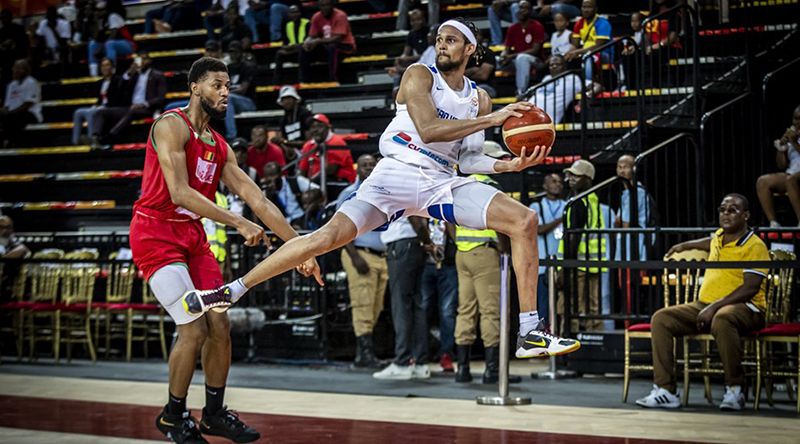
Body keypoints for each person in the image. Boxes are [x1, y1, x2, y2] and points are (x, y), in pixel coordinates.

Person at [183, 18, 580, 360]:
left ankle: (530, 331)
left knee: (523, 220)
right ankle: (230, 291)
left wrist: (506, 165)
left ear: (470, 48)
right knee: (323, 239)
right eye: (439, 39)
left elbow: (469, 158)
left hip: (441, 181)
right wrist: (494, 118)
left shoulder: (479, 98)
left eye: (451, 40)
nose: (441, 45)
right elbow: (429, 130)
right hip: (396, 174)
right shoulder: (419, 75)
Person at [130, 56, 317, 442]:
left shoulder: (219, 146)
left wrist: (301, 248)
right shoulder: (170, 126)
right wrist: (238, 221)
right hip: (155, 232)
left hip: (193, 238)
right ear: (195, 87)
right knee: (193, 326)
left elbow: (259, 201)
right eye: (217, 84)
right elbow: (179, 191)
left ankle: (213, 413)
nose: (225, 92)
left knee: (220, 323)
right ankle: (172, 415)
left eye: (228, 86)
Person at [636, 194, 769, 411]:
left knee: (722, 318)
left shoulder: (755, 245)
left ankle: (736, 389)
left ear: (746, 215)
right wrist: (683, 245)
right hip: (706, 305)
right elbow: (708, 242)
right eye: (722, 209)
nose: (726, 213)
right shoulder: (718, 237)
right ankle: (666, 390)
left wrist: (714, 307)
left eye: (733, 210)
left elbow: (750, 288)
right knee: (661, 318)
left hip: (748, 308)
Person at [454, 172, 522, 384]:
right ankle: (492, 370)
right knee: (491, 312)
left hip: (462, 252)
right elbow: (499, 220)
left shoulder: (458, 184)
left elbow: (446, 218)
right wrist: (505, 250)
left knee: (465, 310)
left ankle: (462, 369)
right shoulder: (490, 185)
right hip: (486, 253)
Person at [337, 155, 387, 368]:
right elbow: (338, 228)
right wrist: (354, 256)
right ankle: (363, 354)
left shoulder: (382, 191)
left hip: (381, 256)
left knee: (376, 306)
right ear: (358, 170)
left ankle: (365, 351)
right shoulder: (350, 193)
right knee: (362, 304)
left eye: (372, 165)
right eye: (365, 165)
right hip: (359, 253)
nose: (369, 168)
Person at [372, 215, 431, 380]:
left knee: (401, 304)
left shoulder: (402, 188)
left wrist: (427, 241)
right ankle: (420, 363)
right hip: (414, 244)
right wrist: (426, 241)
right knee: (416, 304)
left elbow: (414, 217)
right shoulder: (418, 188)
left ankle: (403, 362)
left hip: (402, 243)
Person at [558, 159, 605, 332]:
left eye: (576, 176)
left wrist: (564, 267)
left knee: (571, 307)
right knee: (592, 308)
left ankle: (569, 349)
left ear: (588, 180)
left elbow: (574, 237)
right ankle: (594, 345)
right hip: (593, 264)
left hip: (577, 264)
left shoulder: (578, 202)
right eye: (570, 175)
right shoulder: (593, 200)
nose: (570, 178)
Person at [91, 54, 166, 146]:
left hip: (147, 108)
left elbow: (161, 98)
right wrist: (130, 72)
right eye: (139, 59)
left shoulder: (157, 75)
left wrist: (143, 104)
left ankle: (110, 136)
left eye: (144, 59)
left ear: (149, 61)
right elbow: (121, 84)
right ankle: (95, 137)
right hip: (130, 107)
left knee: (132, 110)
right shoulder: (135, 75)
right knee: (101, 112)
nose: (142, 61)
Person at [421, 217, 458, 373]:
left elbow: (456, 233)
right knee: (422, 308)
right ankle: (418, 355)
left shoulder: (449, 204)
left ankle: (446, 354)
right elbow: (418, 226)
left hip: (448, 263)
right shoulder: (420, 202)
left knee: (448, 310)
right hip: (424, 263)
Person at [756, 105, 800, 227]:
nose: (797, 122)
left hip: (794, 177)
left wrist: (795, 142)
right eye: (795, 119)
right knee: (763, 181)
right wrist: (782, 148)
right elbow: (782, 165)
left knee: (790, 180)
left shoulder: (794, 139)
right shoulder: (793, 134)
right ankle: (774, 223)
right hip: (792, 174)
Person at [532, 173, 565, 328]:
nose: (557, 184)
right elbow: (538, 229)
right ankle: (544, 340)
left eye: (559, 181)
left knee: (562, 305)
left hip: (561, 263)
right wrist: (560, 219)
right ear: (545, 186)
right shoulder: (536, 207)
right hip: (543, 264)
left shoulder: (567, 205)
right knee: (543, 306)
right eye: (553, 181)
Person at [71, 58, 128, 145]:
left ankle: (93, 141)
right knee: (78, 112)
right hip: (101, 106)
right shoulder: (100, 82)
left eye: (107, 65)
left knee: (92, 113)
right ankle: (75, 142)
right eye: (103, 65)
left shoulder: (117, 80)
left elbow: (117, 98)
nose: (105, 68)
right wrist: (97, 105)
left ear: (112, 67)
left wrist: (101, 106)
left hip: (111, 107)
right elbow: (100, 99)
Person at [300, 0, 356, 83]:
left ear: (332, 5)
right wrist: (307, 42)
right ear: (319, 6)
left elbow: (338, 38)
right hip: (326, 45)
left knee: (332, 47)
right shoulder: (316, 17)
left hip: (345, 46)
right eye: (322, 5)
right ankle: (304, 80)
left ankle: (332, 79)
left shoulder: (340, 15)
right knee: (303, 49)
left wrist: (318, 41)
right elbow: (312, 36)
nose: (325, 8)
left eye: (327, 5)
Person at [499, 1, 546, 98]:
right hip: (517, 61)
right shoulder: (513, 28)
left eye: (525, 8)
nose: (521, 10)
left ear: (530, 11)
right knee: (496, 60)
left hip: (536, 61)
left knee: (522, 58)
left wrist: (510, 56)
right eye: (520, 8)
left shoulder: (537, 26)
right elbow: (506, 49)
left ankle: (521, 92)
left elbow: (535, 50)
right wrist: (503, 56)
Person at [564, 0, 612, 93]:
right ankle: (569, 87)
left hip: (604, 54)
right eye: (584, 7)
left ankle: (589, 84)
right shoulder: (579, 23)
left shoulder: (603, 23)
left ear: (595, 9)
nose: (586, 10)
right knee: (567, 58)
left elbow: (599, 46)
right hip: (585, 52)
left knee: (588, 56)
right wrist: (570, 53)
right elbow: (575, 44)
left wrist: (577, 52)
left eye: (589, 7)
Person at [298, 113, 356, 184]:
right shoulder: (308, 145)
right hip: (316, 184)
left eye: (319, 126)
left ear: (328, 127)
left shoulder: (337, 142)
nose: (315, 130)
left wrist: (309, 183)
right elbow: (302, 170)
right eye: (312, 127)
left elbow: (330, 171)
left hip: (341, 182)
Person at [615, 154, 652, 260]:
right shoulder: (626, 193)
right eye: (619, 167)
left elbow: (624, 224)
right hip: (625, 250)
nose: (622, 171)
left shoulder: (637, 192)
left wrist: (618, 223)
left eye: (625, 167)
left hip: (633, 251)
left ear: (634, 169)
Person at [1, 59, 42, 148]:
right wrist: (3, 111)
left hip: (30, 114)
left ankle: (10, 142)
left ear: (24, 70)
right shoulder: (12, 85)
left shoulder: (31, 82)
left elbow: (28, 104)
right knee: (7, 117)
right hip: (12, 115)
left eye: (17, 68)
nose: (13, 70)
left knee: (14, 117)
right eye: (14, 68)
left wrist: (10, 113)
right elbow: (7, 106)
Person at [87, 0, 135, 77]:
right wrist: (96, 22)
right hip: (109, 46)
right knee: (92, 44)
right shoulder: (100, 21)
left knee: (110, 43)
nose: (98, 13)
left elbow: (113, 35)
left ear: (106, 10)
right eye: (96, 11)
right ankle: (93, 73)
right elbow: (96, 37)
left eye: (100, 11)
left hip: (128, 45)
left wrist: (101, 48)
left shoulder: (113, 16)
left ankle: (111, 70)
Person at [528, 55, 580, 124]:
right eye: (551, 65)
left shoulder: (572, 78)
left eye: (557, 64)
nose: (554, 66)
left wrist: (587, 95)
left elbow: (595, 86)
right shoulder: (547, 78)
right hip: (529, 115)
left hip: (545, 120)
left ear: (565, 66)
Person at [271, 85, 311, 172]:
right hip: (291, 151)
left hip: (306, 151)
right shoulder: (283, 119)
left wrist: (285, 142)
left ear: (295, 100)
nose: (287, 102)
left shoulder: (304, 114)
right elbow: (282, 139)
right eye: (284, 99)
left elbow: (309, 141)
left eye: (289, 98)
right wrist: (280, 142)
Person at [224, 41, 257, 140]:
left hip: (248, 103)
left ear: (241, 53)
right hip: (231, 103)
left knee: (227, 97)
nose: (233, 54)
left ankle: (232, 136)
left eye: (235, 52)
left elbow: (242, 90)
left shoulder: (247, 67)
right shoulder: (227, 69)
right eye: (231, 52)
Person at [387, 9, 428, 89]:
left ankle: (400, 85)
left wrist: (407, 59)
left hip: (428, 61)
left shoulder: (429, 33)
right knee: (400, 64)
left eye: (418, 19)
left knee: (401, 69)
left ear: (423, 19)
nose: (415, 23)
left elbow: (428, 55)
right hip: (417, 60)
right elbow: (406, 53)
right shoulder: (411, 34)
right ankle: (397, 90)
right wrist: (399, 59)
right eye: (413, 20)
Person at [273, 5, 309, 84]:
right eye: (292, 13)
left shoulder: (307, 23)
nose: (294, 15)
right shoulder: (287, 25)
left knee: (302, 50)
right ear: (289, 14)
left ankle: (302, 80)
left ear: (300, 13)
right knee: (279, 53)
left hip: (305, 50)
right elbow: (285, 42)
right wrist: (285, 47)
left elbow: (308, 41)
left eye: (296, 12)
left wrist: (294, 46)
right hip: (293, 50)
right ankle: (276, 82)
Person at [464, 33, 498, 98]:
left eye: (476, 35)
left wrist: (465, 74)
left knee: (478, 92)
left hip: (485, 86)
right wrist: (473, 70)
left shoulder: (487, 53)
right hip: (465, 86)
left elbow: (483, 75)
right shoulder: (463, 54)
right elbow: (457, 75)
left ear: (482, 38)